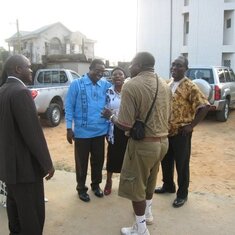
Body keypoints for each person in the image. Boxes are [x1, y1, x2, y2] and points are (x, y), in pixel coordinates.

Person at [102, 52, 171, 235]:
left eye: (131, 64)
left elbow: (125, 124)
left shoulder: (131, 85)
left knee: (135, 186)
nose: (129, 68)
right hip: (163, 142)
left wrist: (111, 116)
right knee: (150, 180)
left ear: (139, 65)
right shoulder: (164, 83)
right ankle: (147, 214)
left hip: (143, 145)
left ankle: (140, 228)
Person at [0, 54, 55, 235]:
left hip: (9, 168)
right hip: (25, 170)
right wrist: (47, 164)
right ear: (18, 69)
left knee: (15, 211)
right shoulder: (21, 92)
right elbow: (33, 135)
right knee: (32, 217)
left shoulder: (3, 90)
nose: (31, 70)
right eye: (28, 66)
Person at [155, 56, 210, 208]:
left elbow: (204, 106)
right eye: (173, 65)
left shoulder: (190, 86)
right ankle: (168, 186)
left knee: (182, 164)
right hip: (166, 131)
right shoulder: (169, 83)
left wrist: (191, 125)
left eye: (179, 65)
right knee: (166, 160)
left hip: (181, 133)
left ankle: (182, 194)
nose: (174, 68)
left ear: (186, 68)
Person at [65, 59, 111, 202]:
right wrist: (68, 128)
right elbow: (69, 107)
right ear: (90, 69)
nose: (100, 73)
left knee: (98, 161)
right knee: (81, 162)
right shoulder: (76, 85)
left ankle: (96, 186)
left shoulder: (105, 85)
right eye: (97, 70)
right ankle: (81, 188)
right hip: (82, 133)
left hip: (100, 131)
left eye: (102, 71)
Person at [104, 67, 129, 196]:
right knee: (112, 156)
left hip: (127, 129)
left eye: (120, 74)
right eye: (115, 75)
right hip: (113, 129)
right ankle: (108, 182)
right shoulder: (108, 92)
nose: (117, 76)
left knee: (128, 157)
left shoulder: (130, 90)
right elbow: (105, 110)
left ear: (125, 76)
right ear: (112, 78)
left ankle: (126, 185)